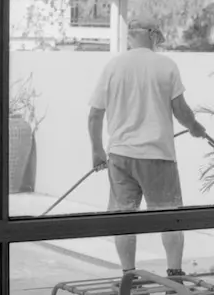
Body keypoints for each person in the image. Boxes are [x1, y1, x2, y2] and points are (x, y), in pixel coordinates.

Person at [87, 17, 206, 278]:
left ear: (131, 37)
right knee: (170, 217)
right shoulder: (166, 66)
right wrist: (196, 127)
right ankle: (174, 273)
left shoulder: (113, 67)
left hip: (120, 158)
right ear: (153, 36)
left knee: (123, 218)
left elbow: (95, 115)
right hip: (157, 157)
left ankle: (129, 274)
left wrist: (97, 151)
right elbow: (181, 111)